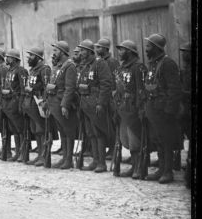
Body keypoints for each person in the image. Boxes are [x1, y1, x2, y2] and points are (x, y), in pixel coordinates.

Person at [144, 34, 182, 184]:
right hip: (154, 108)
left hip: (164, 110)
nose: (146, 49)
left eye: (148, 46)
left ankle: (168, 171)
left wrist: (169, 111)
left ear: (156, 48)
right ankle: (161, 168)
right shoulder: (153, 63)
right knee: (157, 139)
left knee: (166, 141)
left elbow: (174, 90)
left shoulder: (168, 63)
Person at [76, 39, 112, 173]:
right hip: (85, 104)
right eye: (80, 50)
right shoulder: (85, 66)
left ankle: (102, 163)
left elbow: (106, 84)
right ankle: (95, 160)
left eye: (83, 50)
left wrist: (101, 103)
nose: (80, 53)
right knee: (90, 133)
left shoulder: (100, 63)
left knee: (99, 133)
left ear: (90, 52)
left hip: (96, 104)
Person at [114, 40, 146, 179]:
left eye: (122, 50)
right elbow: (117, 90)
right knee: (126, 138)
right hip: (122, 108)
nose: (119, 52)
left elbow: (141, 90)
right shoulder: (121, 68)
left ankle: (139, 167)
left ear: (130, 52)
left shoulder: (138, 67)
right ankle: (133, 166)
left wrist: (141, 109)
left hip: (133, 109)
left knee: (135, 140)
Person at [45, 41, 77, 170]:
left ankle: (69, 160)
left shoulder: (70, 66)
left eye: (56, 51)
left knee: (68, 131)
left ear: (63, 52)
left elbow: (70, 88)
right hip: (54, 103)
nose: (54, 53)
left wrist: (64, 105)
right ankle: (64, 157)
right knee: (62, 131)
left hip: (62, 103)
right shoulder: (57, 66)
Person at [22, 47, 51, 166]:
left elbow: (46, 86)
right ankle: (39, 154)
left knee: (42, 129)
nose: (28, 59)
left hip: (38, 101)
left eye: (31, 56)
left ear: (38, 58)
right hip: (30, 102)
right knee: (35, 130)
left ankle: (44, 155)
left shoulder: (44, 69)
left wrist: (45, 101)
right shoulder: (33, 70)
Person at [0, 50, 28, 162]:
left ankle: (23, 152)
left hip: (16, 101)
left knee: (21, 129)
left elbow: (23, 88)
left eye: (9, 57)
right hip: (8, 102)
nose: (7, 59)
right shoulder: (9, 71)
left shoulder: (21, 71)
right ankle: (17, 152)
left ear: (15, 59)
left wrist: (21, 103)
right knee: (14, 129)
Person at [179, 43, 192, 188]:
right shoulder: (183, 71)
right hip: (184, 110)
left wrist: (182, 94)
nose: (183, 55)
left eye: (186, 52)